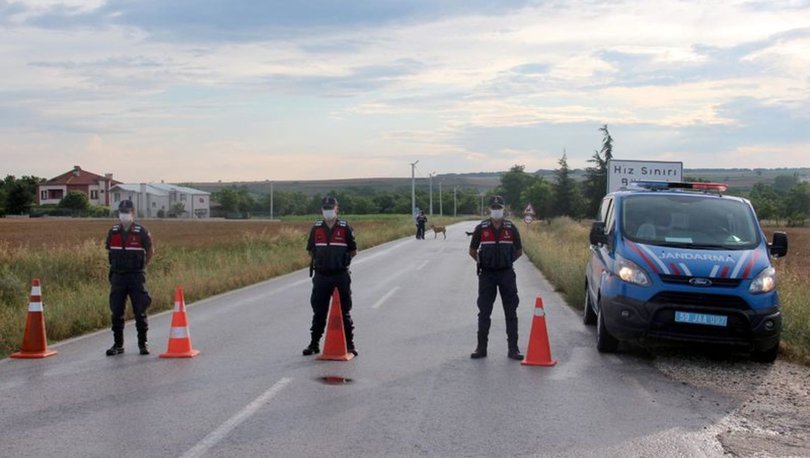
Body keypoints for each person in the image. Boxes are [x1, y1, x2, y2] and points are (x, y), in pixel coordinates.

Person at [468, 195, 524, 360]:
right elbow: (472, 251)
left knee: (511, 311)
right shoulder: (481, 228)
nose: (496, 210)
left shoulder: (511, 228)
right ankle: (481, 348)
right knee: (484, 312)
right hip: (487, 275)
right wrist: (483, 262)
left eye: (499, 207)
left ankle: (513, 349)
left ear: (503, 209)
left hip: (506, 274)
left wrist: (506, 262)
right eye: (494, 207)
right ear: (489, 209)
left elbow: (519, 251)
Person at [303, 196, 358, 356]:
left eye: (331, 208)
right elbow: (310, 250)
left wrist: (342, 260)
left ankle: (349, 344)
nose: (328, 211)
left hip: (340, 275)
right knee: (319, 311)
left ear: (336, 209)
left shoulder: (345, 227)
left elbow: (353, 250)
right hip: (321, 275)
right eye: (325, 208)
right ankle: (314, 344)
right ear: (321, 210)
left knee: (344, 311)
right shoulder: (316, 228)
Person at [104, 199, 154, 356]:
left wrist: (142, 267)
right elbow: (109, 251)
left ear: (133, 213)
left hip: (136, 277)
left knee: (140, 310)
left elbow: (150, 251)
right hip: (118, 276)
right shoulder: (113, 232)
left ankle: (143, 343)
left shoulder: (141, 231)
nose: (124, 215)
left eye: (127, 212)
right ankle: (118, 344)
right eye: (121, 212)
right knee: (116, 311)